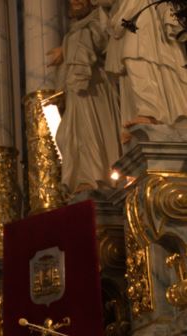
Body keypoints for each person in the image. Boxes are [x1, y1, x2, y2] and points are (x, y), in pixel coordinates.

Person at [48, 0, 122, 194]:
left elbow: (101, 39)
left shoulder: (99, 19)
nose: (76, 2)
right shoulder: (75, 30)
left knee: (91, 129)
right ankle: (81, 177)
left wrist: (66, 49)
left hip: (94, 87)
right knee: (69, 135)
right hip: (76, 92)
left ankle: (95, 176)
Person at [99, 0, 187, 133]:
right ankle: (141, 115)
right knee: (131, 65)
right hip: (129, 15)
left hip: (142, 13)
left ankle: (150, 111)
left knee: (137, 56)